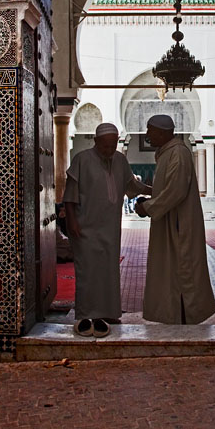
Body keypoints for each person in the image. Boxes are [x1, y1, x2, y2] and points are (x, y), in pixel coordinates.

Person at [63, 122, 151, 338]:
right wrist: (72, 221)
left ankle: (107, 313)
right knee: (87, 272)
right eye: (105, 146)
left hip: (110, 228)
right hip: (85, 227)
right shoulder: (82, 160)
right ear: (95, 141)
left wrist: (155, 190)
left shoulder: (119, 160)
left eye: (112, 146)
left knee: (108, 271)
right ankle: (85, 315)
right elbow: (70, 195)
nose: (109, 150)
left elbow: (131, 186)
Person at [134, 114, 215, 325]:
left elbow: (175, 191)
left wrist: (148, 207)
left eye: (150, 131)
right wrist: (147, 195)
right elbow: (167, 188)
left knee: (181, 267)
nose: (148, 135)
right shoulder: (167, 152)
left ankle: (185, 315)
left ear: (163, 133)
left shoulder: (178, 153)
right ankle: (172, 313)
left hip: (179, 224)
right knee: (169, 269)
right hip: (169, 221)